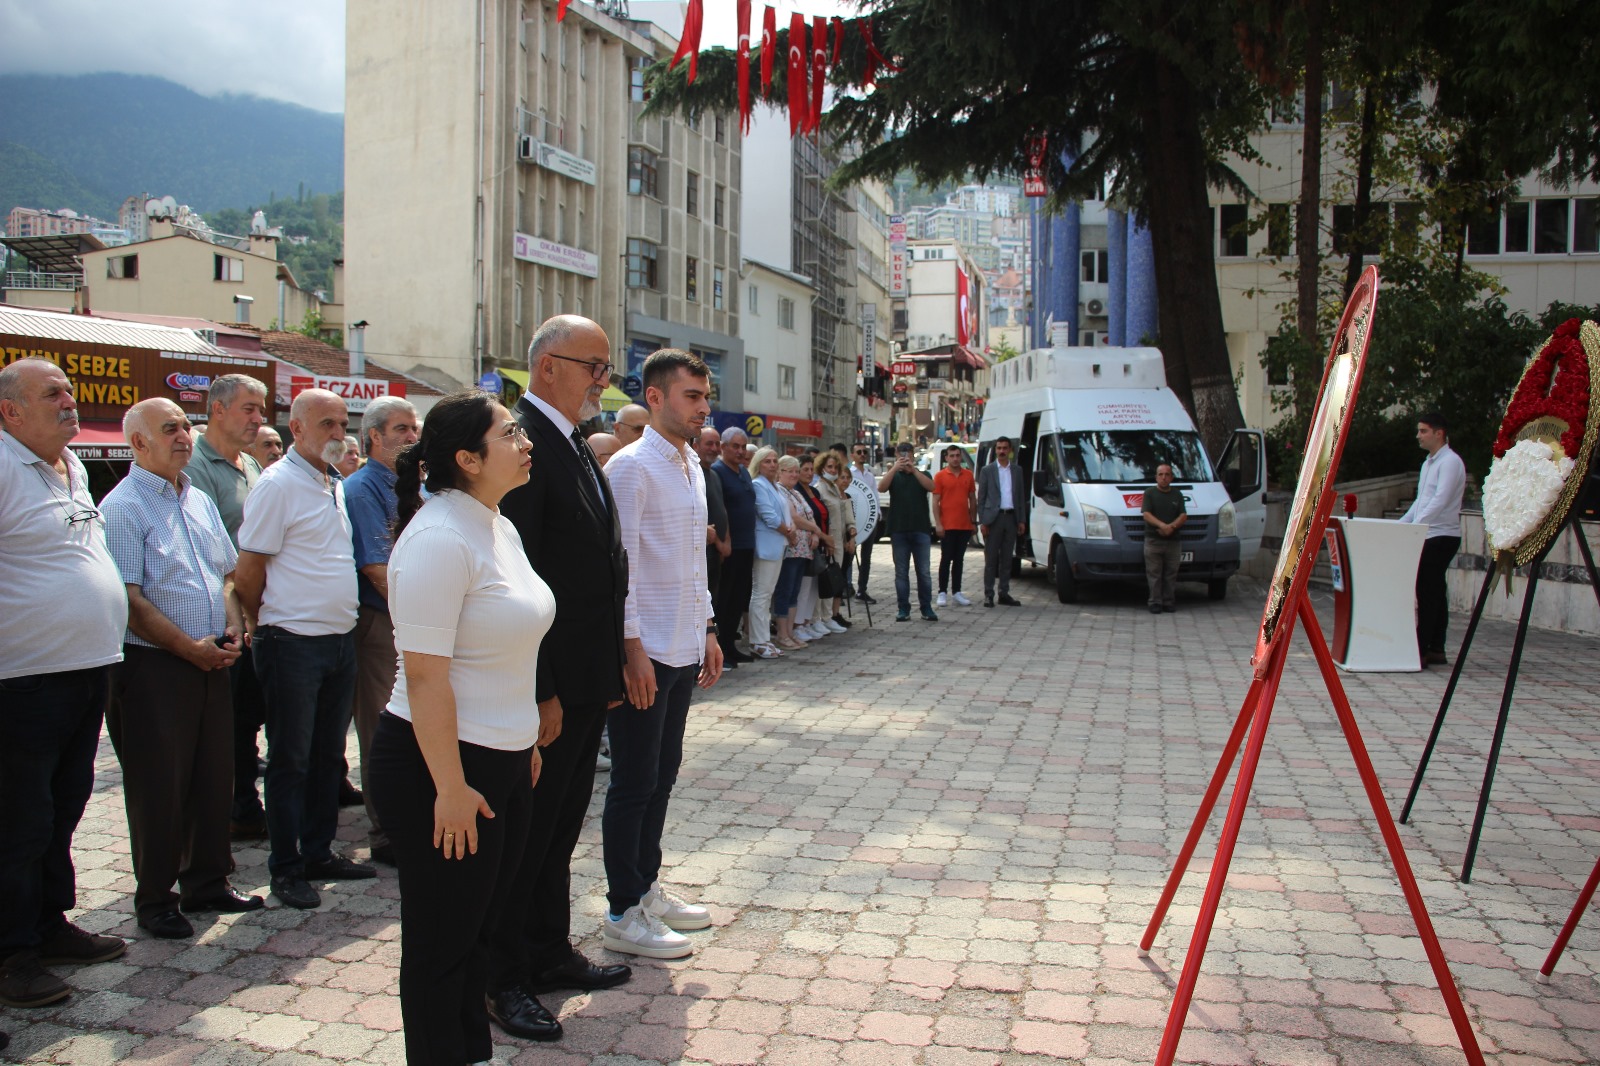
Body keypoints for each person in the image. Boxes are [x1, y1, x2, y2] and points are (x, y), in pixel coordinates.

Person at [368, 390, 555, 1062]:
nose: (526, 441)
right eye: (511, 433)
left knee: (481, 928)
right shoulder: (440, 536)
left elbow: (510, 642)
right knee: (442, 940)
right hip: (439, 766)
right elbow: (424, 678)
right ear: (468, 458)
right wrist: (449, 786)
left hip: (500, 757)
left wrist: (523, 736)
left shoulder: (495, 522)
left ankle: (469, 1052)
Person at [487, 315, 631, 1042]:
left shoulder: (569, 441)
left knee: (557, 831)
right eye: (593, 366)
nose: (603, 381)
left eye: (607, 369)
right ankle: (502, 974)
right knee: (527, 836)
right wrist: (540, 686)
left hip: (584, 679)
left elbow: (598, 568)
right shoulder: (521, 445)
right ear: (547, 367)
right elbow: (523, 576)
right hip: (547, 686)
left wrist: (607, 665)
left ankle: (546, 951)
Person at [101, 399, 263, 941]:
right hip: (154, 667)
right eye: (168, 430)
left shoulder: (194, 497)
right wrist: (189, 649)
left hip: (211, 660)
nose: (182, 438)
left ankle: (207, 882)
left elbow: (225, 575)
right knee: (159, 787)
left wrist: (236, 627)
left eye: (184, 429)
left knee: (213, 777)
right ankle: (155, 899)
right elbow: (130, 600)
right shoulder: (123, 506)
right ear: (137, 443)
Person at [0, 358, 130, 1009]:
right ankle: (12, 953)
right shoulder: (2, 467)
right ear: (11, 411)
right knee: (20, 822)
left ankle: (49, 923)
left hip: (84, 670)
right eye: (52, 394)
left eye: (71, 392)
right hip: (23, 680)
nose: (69, 402)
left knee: (64, 809)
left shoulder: (71, 466)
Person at [602, 349, 723, 959]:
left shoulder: (690, 465)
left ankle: (646, 887)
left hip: (681, 640)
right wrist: (631, 650)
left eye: (705, 397)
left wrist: (707, 626)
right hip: (645, 647)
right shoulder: (631, 468)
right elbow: (616, 572)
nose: (703, 408)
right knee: (633, 779)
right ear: (655, 397)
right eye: (691, 397)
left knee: (663, 775)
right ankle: (623, 909)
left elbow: (690, 560)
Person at [235, 389, 374, 910]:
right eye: (326, 425)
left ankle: (317, 851)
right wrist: (261, 625)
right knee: (290, 760)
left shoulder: (329, 482)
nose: (338, 434)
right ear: (296, 428)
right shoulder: (278, 485)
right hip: (291, 641)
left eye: (343, 423)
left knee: (325, 756)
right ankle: (286, 867)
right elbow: (249, 572)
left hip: (337, 641)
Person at [182, 373, 271, 840]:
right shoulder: (195, 465)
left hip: (255, 613)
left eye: (262, 409)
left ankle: (243, 804)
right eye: (249, 409)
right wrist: (242, 613)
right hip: (222, 618)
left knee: (248, 721)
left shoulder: (251, 466)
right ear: (217, 409)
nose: (259, 418)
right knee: (227, 725)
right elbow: (213, 553)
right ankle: (230, 813)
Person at [343, 396, 421, 866]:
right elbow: (377, 568)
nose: (412, 437)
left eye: (414, 429)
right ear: (374, 437)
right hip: (382, 623)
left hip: (410, 619)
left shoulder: (412, 485)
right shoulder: (363, 488)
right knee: (382, 730)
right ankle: (386, 831)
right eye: (401, 429)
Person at [1398, 411, 1466, 666]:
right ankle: (1436, 646)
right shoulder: (1428, 463)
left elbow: (1441, 499)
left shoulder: (1450, 462)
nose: (1419, 436)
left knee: (1428, 591)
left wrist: (1416, 525)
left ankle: (1422, 647)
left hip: (1442, 535)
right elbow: (1421, 500)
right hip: (1427, 532)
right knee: (1434, 590)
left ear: (1439, 433)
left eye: (1424, 431)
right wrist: (1403, 523)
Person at [879, 442, 938, 622]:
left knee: (924, 572)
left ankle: (926, 607)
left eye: (908, 454)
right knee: (901, 572)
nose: (906, 458)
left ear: (913, 455)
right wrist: (894, 468)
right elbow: (881, 488)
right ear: (897, 455)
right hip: (899, 530)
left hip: (920, 529)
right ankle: (903, 608)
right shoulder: (894, 476)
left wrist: (914, 471)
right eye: (902, 454)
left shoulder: (922, 474)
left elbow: (932, 487)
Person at [712, 428, 756, 663]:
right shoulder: (718, 472)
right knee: (725, 600)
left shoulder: (743, 472)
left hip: (747, 545)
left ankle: (730, 645)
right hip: (730, 548)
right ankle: (720, 650)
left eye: (743, 447)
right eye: (735, 446)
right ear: (723, 447)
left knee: (739, 598)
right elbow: (721, 510)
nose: (740, 451)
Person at [748, 447, 794, 658]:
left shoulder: (774, 486)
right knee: (761, 594)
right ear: (758, 464)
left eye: (775, 461)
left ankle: (764, 638)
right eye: (767, 461)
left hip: (778, 544)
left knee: (767, 595)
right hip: (766, 545)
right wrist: (788, 532)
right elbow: (769, 516)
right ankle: (758, 641)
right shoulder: (758, 485)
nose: (773, 464)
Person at [697, 427, 733, 664]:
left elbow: (721, 511)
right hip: (705, 553)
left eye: (716, 443)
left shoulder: (714, 475)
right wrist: (719, 542)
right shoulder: (694, 472)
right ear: (696, 445)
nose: (714, 449)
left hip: (718, 553)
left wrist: (726, 539)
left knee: (717, 603)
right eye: (708, 443)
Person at [977, 436, 1026, 608]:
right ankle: (988, 594)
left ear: (1010, 450)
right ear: (995, 450)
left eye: (1005, 448)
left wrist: (1021, 520)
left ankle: (1004, 593)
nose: (1002, 451)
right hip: (994, 518)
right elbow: (981, 498)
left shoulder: (1017, 471)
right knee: (991, 559)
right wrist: (983, 521)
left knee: (1007, 559)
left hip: (1011, 517)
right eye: (999, 448)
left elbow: (1020, 496)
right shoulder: (987, 471)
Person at [814, 450, 857, 630]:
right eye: (829, 467)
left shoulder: (834, 489)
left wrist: (851, 530)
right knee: (823, 582)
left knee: (834, 580)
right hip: (828, 542)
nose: (832, 470)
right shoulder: (819, 489)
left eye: (835, 467)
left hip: (839, 541)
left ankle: (828, 616)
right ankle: (819, 618)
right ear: (822, 468)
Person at [933, 445, 977, 607]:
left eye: (958, 455)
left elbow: (972, 499)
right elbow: (935, 501)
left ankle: (957, 591)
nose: (955, 458)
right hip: (948, 524)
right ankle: (942, 591)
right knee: (946, 559)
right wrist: (938, 523)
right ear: (947, 458)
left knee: (959, 559)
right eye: (952, 456)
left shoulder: (968, 475)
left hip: (964, 524)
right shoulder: (940, 476)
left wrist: (973, 521)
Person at [1141, 463, 1187, 614]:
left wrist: (1171, 527)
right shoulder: (1149, 493)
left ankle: (1168, 601)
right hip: (1153, 540)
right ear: (1156, 477)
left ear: (1171, 477)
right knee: (1154, 573)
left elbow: (1183, 515)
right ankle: (1155, 602)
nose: (1164, 477)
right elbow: (1146, 514)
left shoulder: (1177, 494)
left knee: (1171, 573)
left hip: (1173, 541)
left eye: (1167, 474)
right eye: (1160, 474)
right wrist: (1162, 526)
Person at [850, 443, 881, 603]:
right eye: (859, 452)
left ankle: (862, 589)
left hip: (869, 522)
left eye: (865, 452)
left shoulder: (870, 475)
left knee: (866, 557)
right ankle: (844, 589)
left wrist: (877, 514)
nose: (862, 454)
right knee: (848, 556)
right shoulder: (849, 474)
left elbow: (874, 495)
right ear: (852, 455)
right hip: (853, 522)